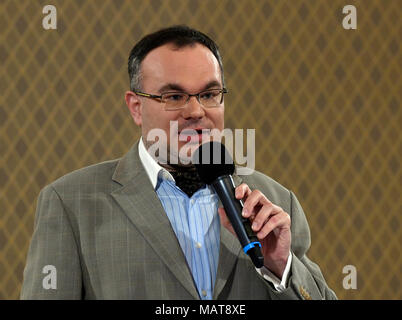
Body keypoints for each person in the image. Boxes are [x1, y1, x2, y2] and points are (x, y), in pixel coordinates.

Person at [21, 25, 337, 300]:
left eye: (210, 94)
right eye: (174, 97)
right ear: (136, 107)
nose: (196, 111)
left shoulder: (277, 203)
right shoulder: (71, 203)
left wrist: (281, 268)